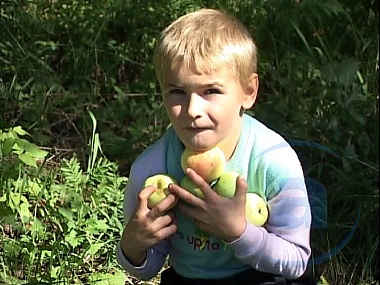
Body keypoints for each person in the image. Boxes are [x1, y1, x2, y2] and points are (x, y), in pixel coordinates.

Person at [116, 8, 316, 285]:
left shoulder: (274, 162)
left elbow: (295, 261)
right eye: (177, 92)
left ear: (248, 92)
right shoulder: (151, 169)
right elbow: (147, 269)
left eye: (210, 91)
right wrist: (132, 245)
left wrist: (238, 231)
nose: (193, 110)